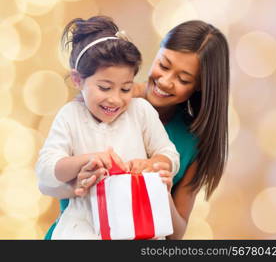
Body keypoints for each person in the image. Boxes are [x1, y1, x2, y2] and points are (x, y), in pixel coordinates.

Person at [38, 19, 230, 240]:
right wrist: (79, 179)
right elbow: (48, 179)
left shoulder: (180, 134)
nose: (166, 81)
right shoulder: (91, 105)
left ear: (200, 86)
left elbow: (175, 235)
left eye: (183, 79)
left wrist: (158, 182)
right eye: (164, 65)